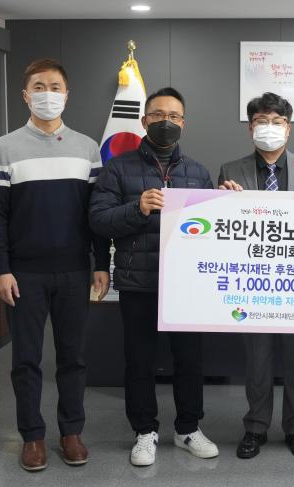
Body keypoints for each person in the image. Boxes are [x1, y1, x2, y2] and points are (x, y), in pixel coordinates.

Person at [0, 58, 110, 471]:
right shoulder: (5, 147)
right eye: (39, 87)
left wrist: (101, 263)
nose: (47, 94)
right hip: (23, 274)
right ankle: (32, 437)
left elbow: (96, 214)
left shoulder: (87, 148)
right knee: (26, 360)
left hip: (75, 271)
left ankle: (71, 432)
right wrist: (0, 269)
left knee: (73, 358)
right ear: (26, 95)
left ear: (67, 95)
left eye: (55, 87)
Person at [89, 87, 219, 466]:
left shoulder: (198, 172)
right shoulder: (118, 168)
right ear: (144, 121)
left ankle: (188, 428)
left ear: (184, 123)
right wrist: (138, 207)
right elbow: (98, 220)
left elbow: (215, 228)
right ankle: (144, 431)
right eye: (159, 115)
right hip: (138, 282)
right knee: (140, 360)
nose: (166, 122)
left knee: (189, 360)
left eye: (174, 116)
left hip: (186, 286)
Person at [219, 92, 294, 460]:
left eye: (276, 122)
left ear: (288, 128)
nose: (269, 128)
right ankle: (255, 427)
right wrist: (221, 199)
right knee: (257, 362)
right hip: (253, 282)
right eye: (261, 121)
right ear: (250, 128)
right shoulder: (230, 171)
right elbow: (221, 229)